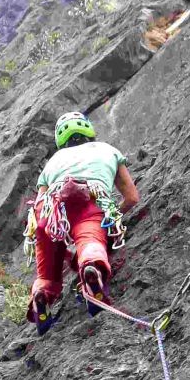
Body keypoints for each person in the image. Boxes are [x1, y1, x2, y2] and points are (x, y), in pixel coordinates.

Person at [25, 112, 139, 333]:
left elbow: (40, 204)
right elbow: (132, 197)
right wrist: (110, 217)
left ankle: (41, 294)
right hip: (89, 199)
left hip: (50, 210)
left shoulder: (53, 162)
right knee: (90, 239)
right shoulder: (107, 150)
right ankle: (91, 268)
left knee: (46, 273)